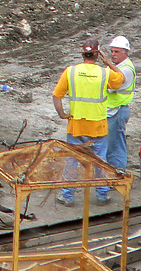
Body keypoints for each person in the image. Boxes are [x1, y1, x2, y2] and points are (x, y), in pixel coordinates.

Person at [52, 38, 125, 206]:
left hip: (76, 125)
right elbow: (120, 79)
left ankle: (68, 196)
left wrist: (63, 114)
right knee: (100, 161)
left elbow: (57, 96)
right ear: (97, 55)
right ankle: (101, 195)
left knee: (72, 160)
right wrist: (108, 62)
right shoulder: (104, 72)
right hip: (98, 127)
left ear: (83, 54)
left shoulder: (71, 72)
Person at [106, 35, 136, 171]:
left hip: (117, 111)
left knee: (115, 145)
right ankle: (111, 172)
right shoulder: (116, 66)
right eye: (112, 51)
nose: (113, 54)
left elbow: (111, 85)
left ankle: (117, 173)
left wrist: (108, 64)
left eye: (116, 51)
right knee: (109, 144)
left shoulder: (127, 69)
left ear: (126, 52)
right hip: (111, 111)